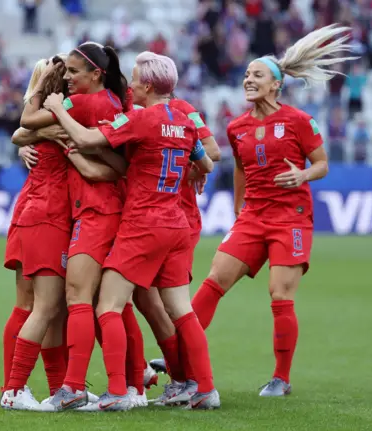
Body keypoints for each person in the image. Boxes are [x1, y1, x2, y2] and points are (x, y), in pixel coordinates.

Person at [187, 23, 355, 398]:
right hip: (253, 217)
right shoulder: (236, 127)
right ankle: (182, 355)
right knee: (215, 278)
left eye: (257, 75)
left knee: (280, 294)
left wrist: (303, 175)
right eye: (246, 75)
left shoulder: (298, 121)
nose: (248, 80)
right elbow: (242, 171)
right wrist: (236, 210)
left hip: (290, 217)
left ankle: (281, 377)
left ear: (276, 84)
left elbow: (322, 164)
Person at [44, 51, 218, 411]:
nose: (131, 85)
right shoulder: (185, 121)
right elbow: (204, 162)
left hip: (143, 224)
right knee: (181, 310)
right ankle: (204, 389)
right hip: (177, 224)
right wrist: (192, 172)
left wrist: (59, 111)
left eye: (136, 80)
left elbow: (90, 140)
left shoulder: (143, 119)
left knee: (107, 305)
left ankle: (118, 393)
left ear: (149, 86)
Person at [13, 43, 154, 411]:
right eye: (68, 72)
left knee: (73, 302)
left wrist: (43, 91)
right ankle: (134, 382)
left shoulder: (83, 104)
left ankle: (67, 387)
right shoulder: (112, 101)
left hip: (95, 213)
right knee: (115, 305)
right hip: (102, 211)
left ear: (95, 74)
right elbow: (118, 162)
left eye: (76, 72)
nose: (70, 78)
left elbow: (26, 124)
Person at [133, 98, 221, 405]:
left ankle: (183, 378)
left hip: (171, 216)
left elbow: (212, 152)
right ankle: (181, 377)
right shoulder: (133, 109)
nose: (130, 84)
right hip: (152, 217)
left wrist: (194, 166)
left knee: (158, 302)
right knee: (147, 301)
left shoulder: (182, 108)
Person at [0, 55, 72, 411]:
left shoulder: (42, 118)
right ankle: (15, 387)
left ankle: (52, 388)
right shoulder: (60, 112)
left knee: (39, 306)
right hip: (46, 214)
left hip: (32, 209)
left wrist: (30, 135)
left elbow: (20, 130)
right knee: (42, 306)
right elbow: (22, 129)